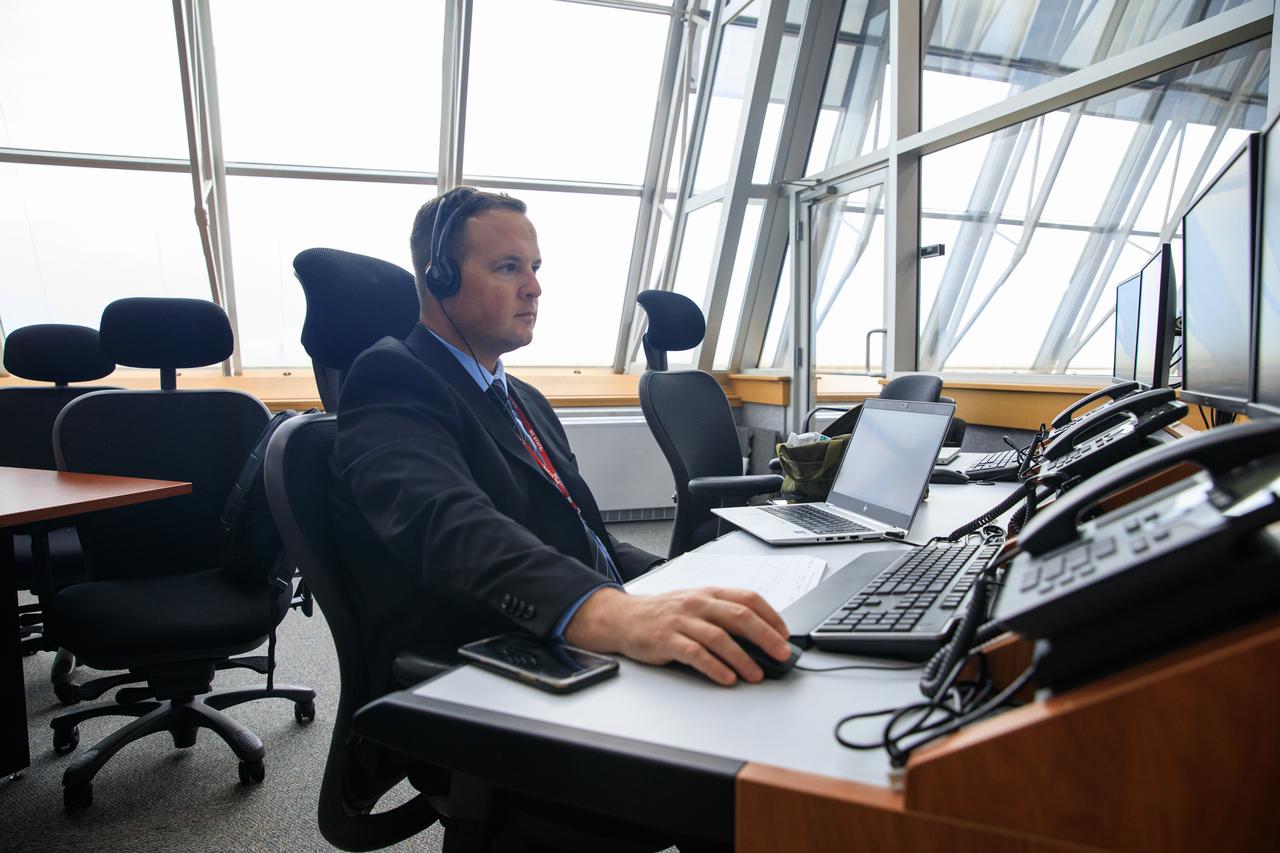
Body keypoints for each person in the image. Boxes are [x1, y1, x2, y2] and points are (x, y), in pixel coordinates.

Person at [331, 187, 791, 692]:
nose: (533, 287)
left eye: (535, 267)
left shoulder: (525, 399)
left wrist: (675, 581)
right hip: (498, 654)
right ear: (438, 276)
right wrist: (608, 612)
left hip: (568, 633)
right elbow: (450, 526)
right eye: (508, 267)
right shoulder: (392, 377)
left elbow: (582, 534)